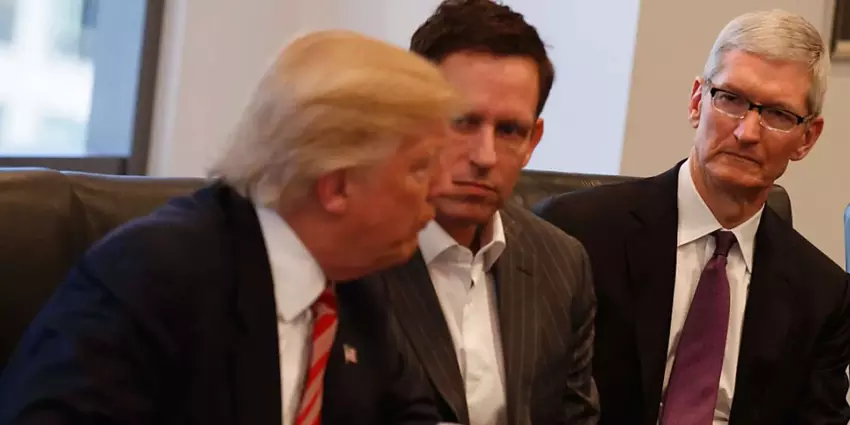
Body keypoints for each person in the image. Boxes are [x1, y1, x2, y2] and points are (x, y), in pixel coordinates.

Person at [0, 30, 465, 425]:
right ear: (337, 186)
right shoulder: (155, 274)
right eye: (420, 168)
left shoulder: (354, 289)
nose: (439, 186)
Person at [536, 9, 850, 425]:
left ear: (807, 138)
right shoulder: (578, 233)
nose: (747, 132)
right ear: (697, 102)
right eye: (731, 99)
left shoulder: (822, 295)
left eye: (778, 114)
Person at [378, 1, 599, 424]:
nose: (485, 156)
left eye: (509, 131)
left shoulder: (562, 264)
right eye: (463, 122)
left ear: (532, 141)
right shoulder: (351, 254)